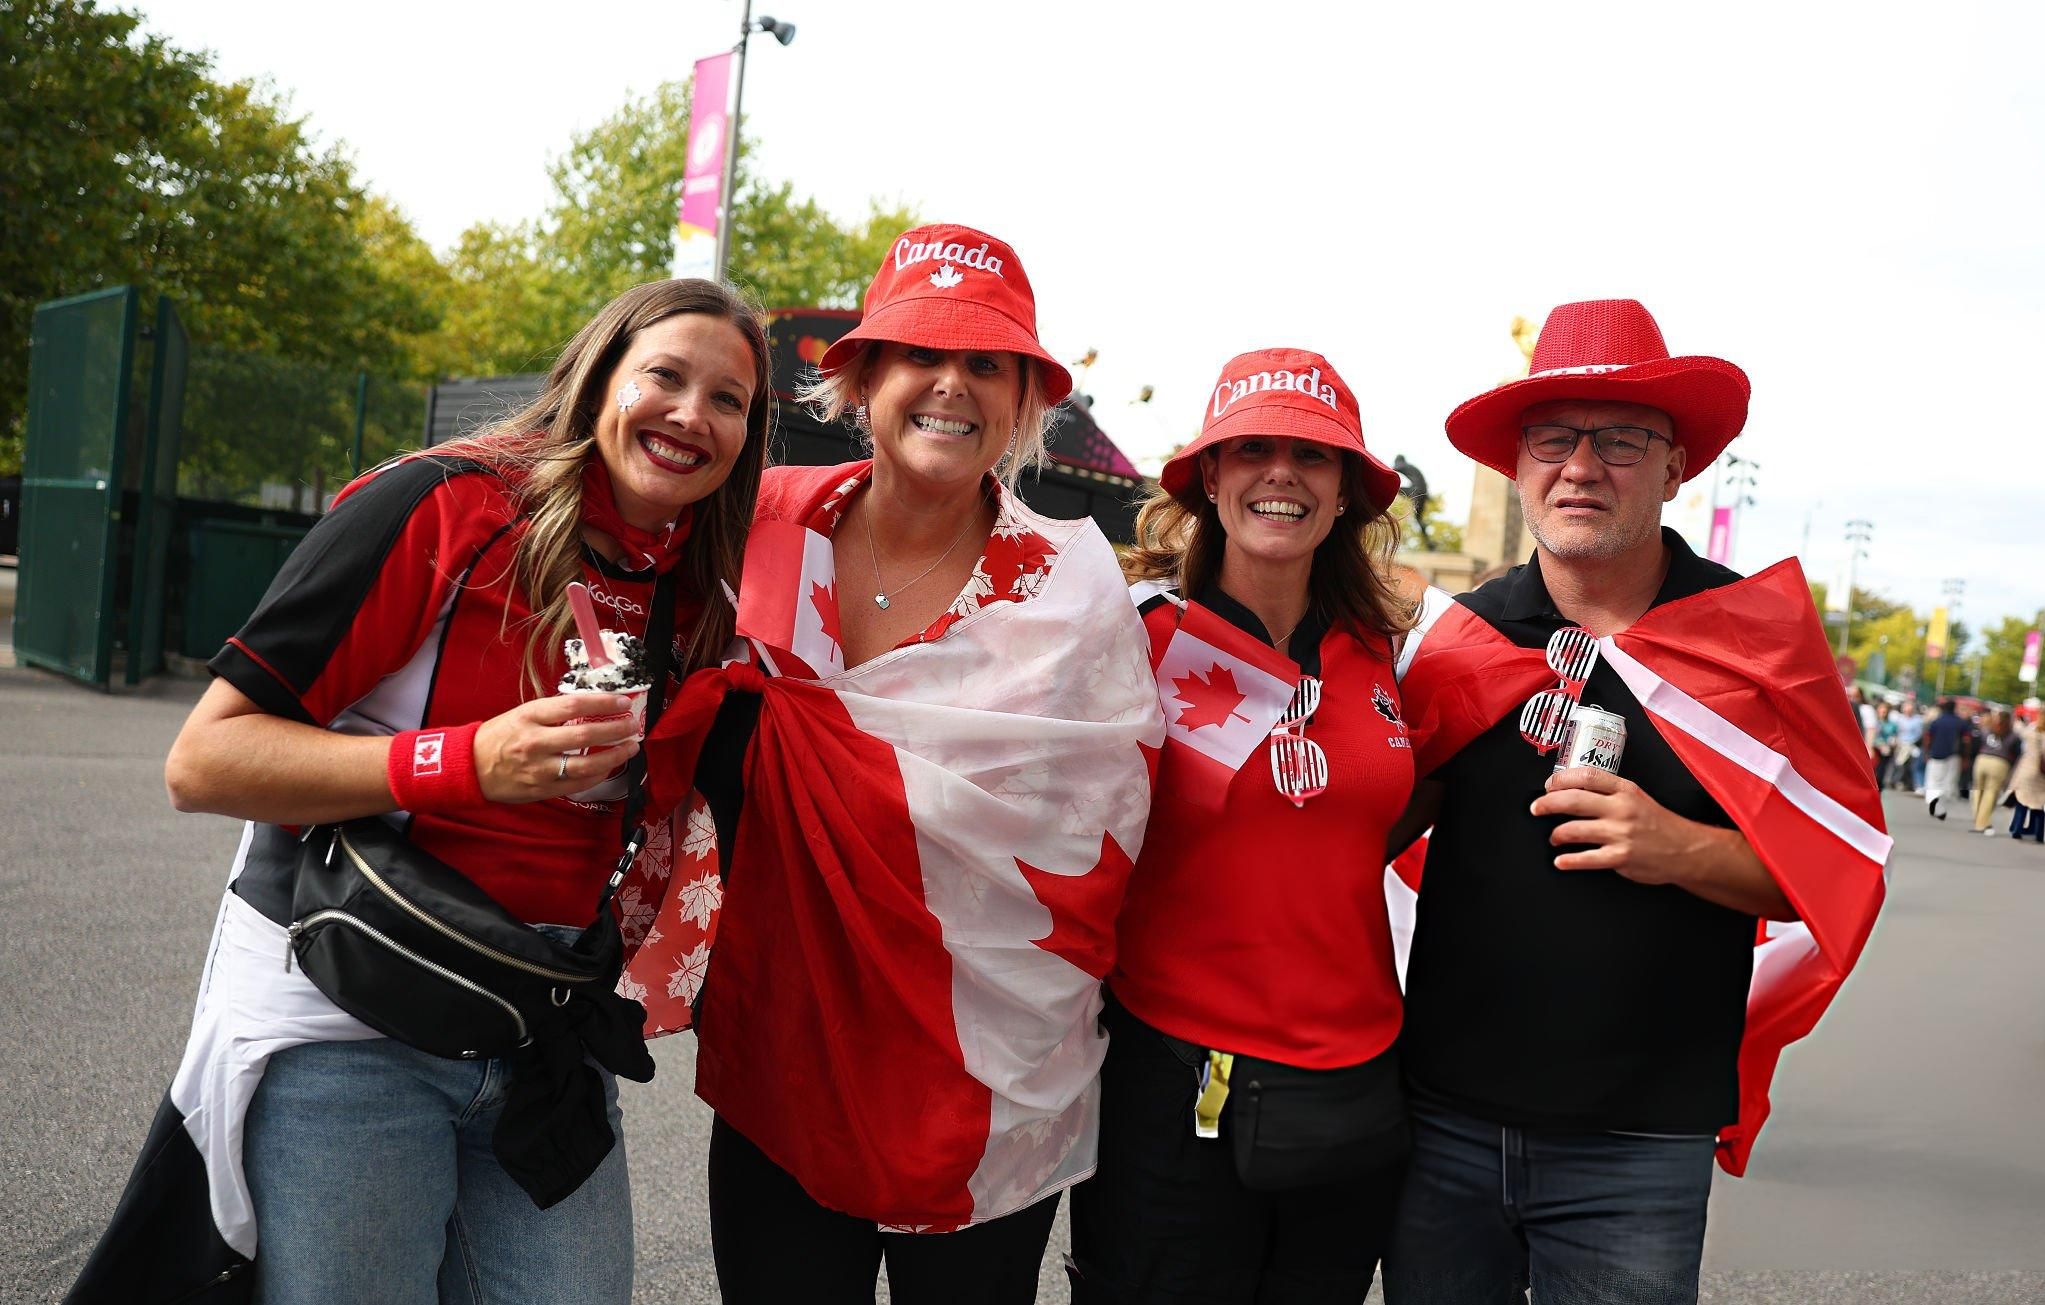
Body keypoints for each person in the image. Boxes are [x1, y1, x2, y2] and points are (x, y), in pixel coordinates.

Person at [73, 280, 773, 1303]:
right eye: (664, 376)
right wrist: (465, 761)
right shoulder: (448, 505)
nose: (690, 414)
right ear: (598, 380)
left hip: (541, 1036)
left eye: (728, 400)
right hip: (349, 1028)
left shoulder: (701, 584)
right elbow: (205, 761)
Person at [627, 224, 1161, 1305]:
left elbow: (1100, 837)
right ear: (862, 378)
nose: (950, 385)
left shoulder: (1069, 591)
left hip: (986, 1084)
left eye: (986, 364)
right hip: (786, 1054)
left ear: (1021, 400)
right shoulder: (755, 532)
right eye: (920, 354)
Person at [1382, 299, 1888, 1304]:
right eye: (1552, 438)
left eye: (1619, 440)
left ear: (1674, 467)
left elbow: (1828, 876)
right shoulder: (1452, 644)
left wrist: (1675, 847)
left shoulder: (1751, 642)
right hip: (1437, 1125)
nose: (1580, 466)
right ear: (1516, 466)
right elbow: (1342, 844)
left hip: (1638, 1145)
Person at [1067, 349, 1414, 1303]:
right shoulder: (1128, 634)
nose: (1281, 474)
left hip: (1354, 1100)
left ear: (1345, 490)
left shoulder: (1386, 653)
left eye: (1312, 455)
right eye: (1252, 447)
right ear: (1209, 475)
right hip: (1176, 1088)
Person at [1973, 710, 2018, 835]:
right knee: (1991, 794)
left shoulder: (1987, 730)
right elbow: (2015, 752)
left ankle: (1977, 815)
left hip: (1982, 759)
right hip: (2000, 763)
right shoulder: (2012, 735)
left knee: (1977, 790)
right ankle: (1982, 822)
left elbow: (1977, 742)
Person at [1924, 698, 1968, 819]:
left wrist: (1927, 752)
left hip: (1936, 753)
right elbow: (1966, 740)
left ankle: (1933, 802)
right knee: (1949, 781)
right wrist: (1965, 756)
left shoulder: (1937, 721)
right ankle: (1944, 803)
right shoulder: (1960, 722)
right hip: (1954, 755)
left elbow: (1928, 737)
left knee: (1934, 780)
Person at [2010, 712, 2045, 843]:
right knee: (2039, 804)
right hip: (2044, 775)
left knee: (2022, 801)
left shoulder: (2031, 733)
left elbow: (2019, 730)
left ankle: (2017, 829)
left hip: (2027, 771)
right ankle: (2039, 833)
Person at [1893, 703, 1925, 792]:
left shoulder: (1918, 720)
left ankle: (1910, 783)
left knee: (1912, 765)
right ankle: (1899, 781)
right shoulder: (1900, 719)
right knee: (1900, 764)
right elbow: (1897, 731)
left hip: (1913, 744)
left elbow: (1919, 733)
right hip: (1901, 744)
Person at [1872, 701, 1898, 789]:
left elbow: (1893, 737)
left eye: (1885, 711)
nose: (1883, 712)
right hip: (1873, 750)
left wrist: (1892, 744)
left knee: (1880, 774)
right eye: (1881, 710)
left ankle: (1878, 790)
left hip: (1885, 751)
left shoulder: (1892, 725)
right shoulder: (1873, 722)